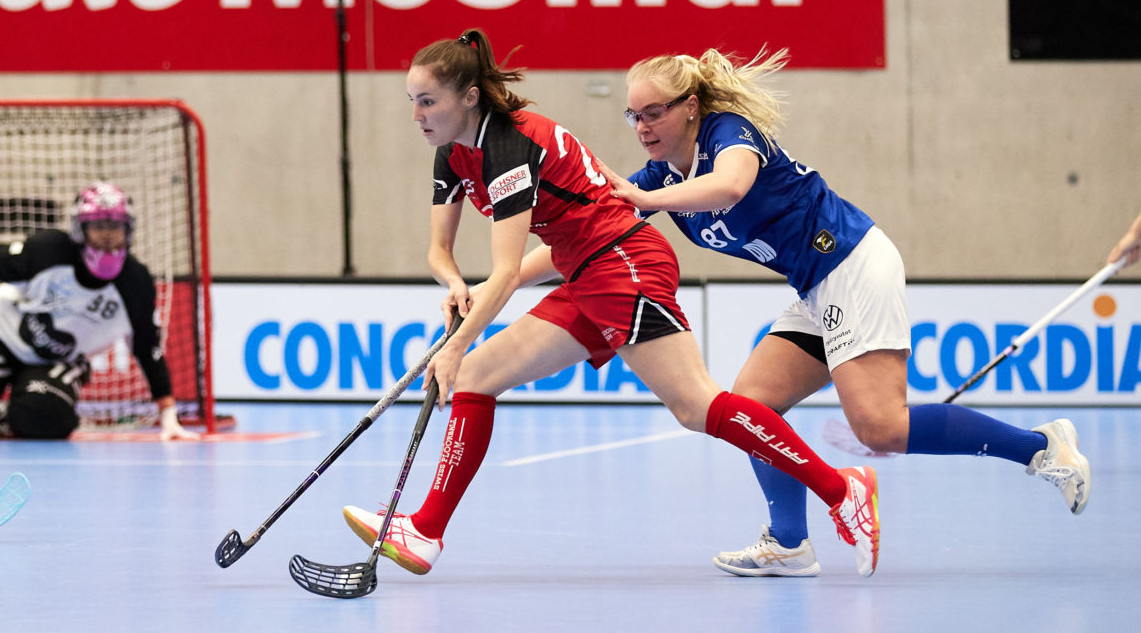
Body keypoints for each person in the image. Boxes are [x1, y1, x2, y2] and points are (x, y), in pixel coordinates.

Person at [341, 29, 882, 579]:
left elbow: (507, 269)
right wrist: (458, 283)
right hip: (586, 269)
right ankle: (427, 531)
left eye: (427, 101)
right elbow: (442, 250)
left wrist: (455, 343)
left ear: (469, 97)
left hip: (625, 263)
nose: (417, 114)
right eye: (412, 101)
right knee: (479, 376)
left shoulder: (507, 147)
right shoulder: (452, 155)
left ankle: (843, 491)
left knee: (695, 406)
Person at [595, 46, 1091, 578]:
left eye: (654, 112)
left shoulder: (728, 132)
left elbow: (732, 184)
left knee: (880, 426)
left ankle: (1042, 449)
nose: (642, 126)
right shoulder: (659, 177)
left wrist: (646, 201)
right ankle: (788, 543)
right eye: (633, 115)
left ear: (690, 106)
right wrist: (501, 283)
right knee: (752, 406)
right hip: (815, 287)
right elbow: (591, 223)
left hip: (853, 263)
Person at [0, 182, 198, 442]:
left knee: (45, 418)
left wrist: (168, 415)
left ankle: (4, 416)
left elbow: (147, 347)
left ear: (130, 231)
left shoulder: (136, 283)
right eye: (98, 226)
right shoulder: (49, 250)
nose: (109, 234)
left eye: (117, 225)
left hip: (56, 359)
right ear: (79, 230)